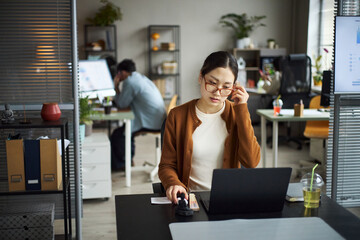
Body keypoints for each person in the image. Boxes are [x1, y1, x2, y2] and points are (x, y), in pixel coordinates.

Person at [158, 51, 261, 204]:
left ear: (234, 87)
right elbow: (167, 165)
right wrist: (174, 183)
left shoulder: (237, 114)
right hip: (191, 200)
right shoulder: (177, 115)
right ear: (201, 77)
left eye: (226, 87)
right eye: (212, 83)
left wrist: (242, 109)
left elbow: (251, 161)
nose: (217, 93)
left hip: (228, 200)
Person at [111, 59, 166, 171]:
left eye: (118, 73)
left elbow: (121, 104)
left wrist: (116, 86)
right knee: (123, 131)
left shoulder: (130, 82)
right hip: (159, 119)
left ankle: (123, 164)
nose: (118, 75)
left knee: (118, 134)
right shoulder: (140, 78)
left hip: (152, 122)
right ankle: (127, 160)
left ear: (123, 72)